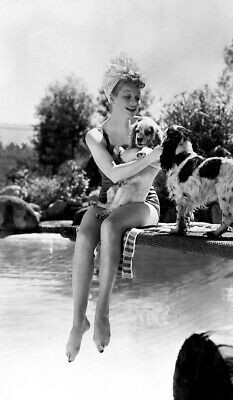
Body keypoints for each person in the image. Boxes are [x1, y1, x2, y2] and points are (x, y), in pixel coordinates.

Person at [65, 61, 162, 362]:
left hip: (145, 203)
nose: (134, 103)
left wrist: (150, 157)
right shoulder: (96, 136)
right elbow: (114, 173)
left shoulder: (147, 128)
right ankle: (77, 321)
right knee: (84, 231)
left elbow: (159, 165)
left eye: (136, 97)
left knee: (109, 228)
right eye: (127, 97)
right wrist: (149, 157)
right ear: (112, 98)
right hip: (114, 196)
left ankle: (102, 310)